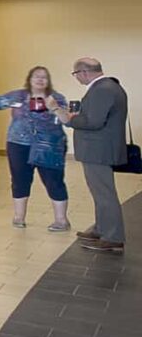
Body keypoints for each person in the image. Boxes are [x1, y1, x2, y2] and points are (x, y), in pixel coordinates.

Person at [48, 58, 130, 252]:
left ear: (83, 72)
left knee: (104, 193)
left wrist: (64, 116)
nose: (76, 78)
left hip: (98, 150)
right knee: (99, 192)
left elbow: (93, 122)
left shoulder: (102, 89)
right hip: (100, 148)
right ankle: (101, 229)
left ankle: (113, 237)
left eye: (75, 74)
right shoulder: (109, 86)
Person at [0, 67, 70, 231]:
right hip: (18, 144)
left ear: (48, 81)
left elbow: (66, 119)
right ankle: (19, 217)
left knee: (53, 181)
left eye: (44, 77)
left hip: (48, 145)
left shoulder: (56, 98)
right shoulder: (18, 95)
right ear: (29, 79)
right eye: (36, 76)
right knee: (19, 180)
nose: (40, 80)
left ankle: (61, 220)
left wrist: (54, 107)